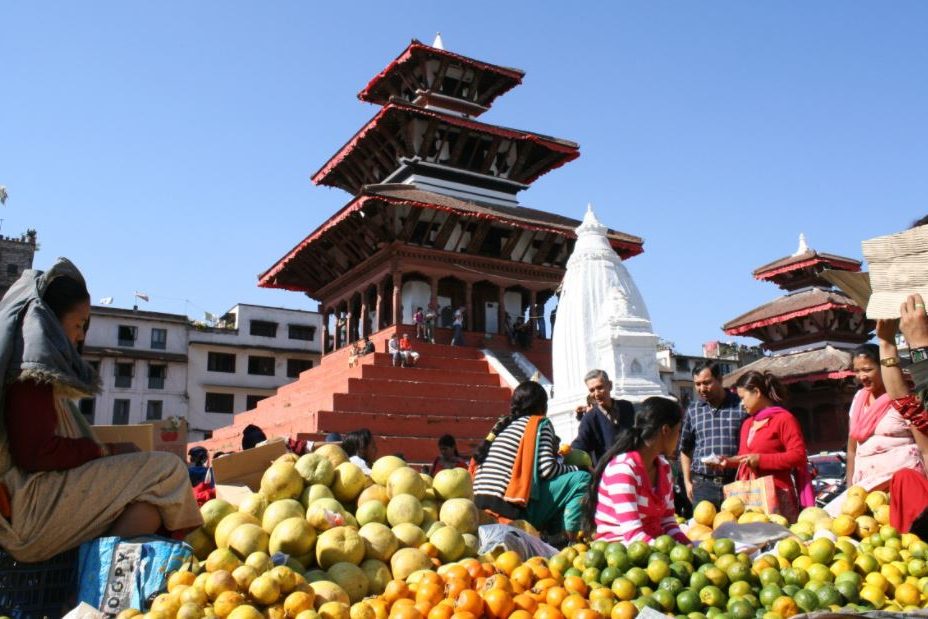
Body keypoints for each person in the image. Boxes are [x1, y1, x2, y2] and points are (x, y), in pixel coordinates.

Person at [0, 258, 202, 562]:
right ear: (51, 322)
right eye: (78, 325)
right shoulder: (31, 377)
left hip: (29, 504)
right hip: (27, 509)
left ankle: (99, 577)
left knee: (149, 505)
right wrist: (105, 451)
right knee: (168, 470)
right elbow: (36, 453)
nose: (81, 336)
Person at [472, 381, 591, 540]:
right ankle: (570, 540)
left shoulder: (502, 426)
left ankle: (554, 537)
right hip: (509, 512)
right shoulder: (539, 423)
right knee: (582, 479)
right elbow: (547, 470)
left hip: (478, 510)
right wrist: (579, 468)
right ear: (543, 406)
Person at [583, 397, 691, 544]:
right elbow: (633, 535)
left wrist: (688, 545)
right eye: (678, 431)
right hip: (621, 550)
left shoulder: (665, 468)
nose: (679, 439)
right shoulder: (622, 470)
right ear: (665, 430)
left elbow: (668, 522)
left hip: (655, 548)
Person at [720, 371, 813, 521]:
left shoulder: (784, 419)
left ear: (757, 392)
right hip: (751, 497)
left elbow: (798, 456)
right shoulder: (747, 424)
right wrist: (727, 461)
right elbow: (745, 458)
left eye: (742, 398)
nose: (741, 404)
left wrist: (761, 460)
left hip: (778, 494)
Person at [846, 331, 928, 489]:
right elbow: (852, 450)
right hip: (866, 487)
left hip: (905, 485)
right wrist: (850, 488)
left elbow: (925, 447)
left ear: (883, 367)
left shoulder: (903, 399)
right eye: (857, 371)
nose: (862, 376)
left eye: (867, 369)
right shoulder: (858, 400)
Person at [678, 361, 746, 509]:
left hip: (736, 483)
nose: (702, 388)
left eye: (707, 383)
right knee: (703, 524)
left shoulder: (741, 405)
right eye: (697, 384)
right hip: (703, 486)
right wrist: (687, 482)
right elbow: (685, 449)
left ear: (720, 379)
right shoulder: (693, 410)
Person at [571, 369, 636, 464]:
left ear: (610, 385)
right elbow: (580, 446)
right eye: (592, 390)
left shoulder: (627, 407)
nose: (596, 394)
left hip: (633, 465)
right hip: (609, 470)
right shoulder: (590, 418)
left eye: (600, 387)